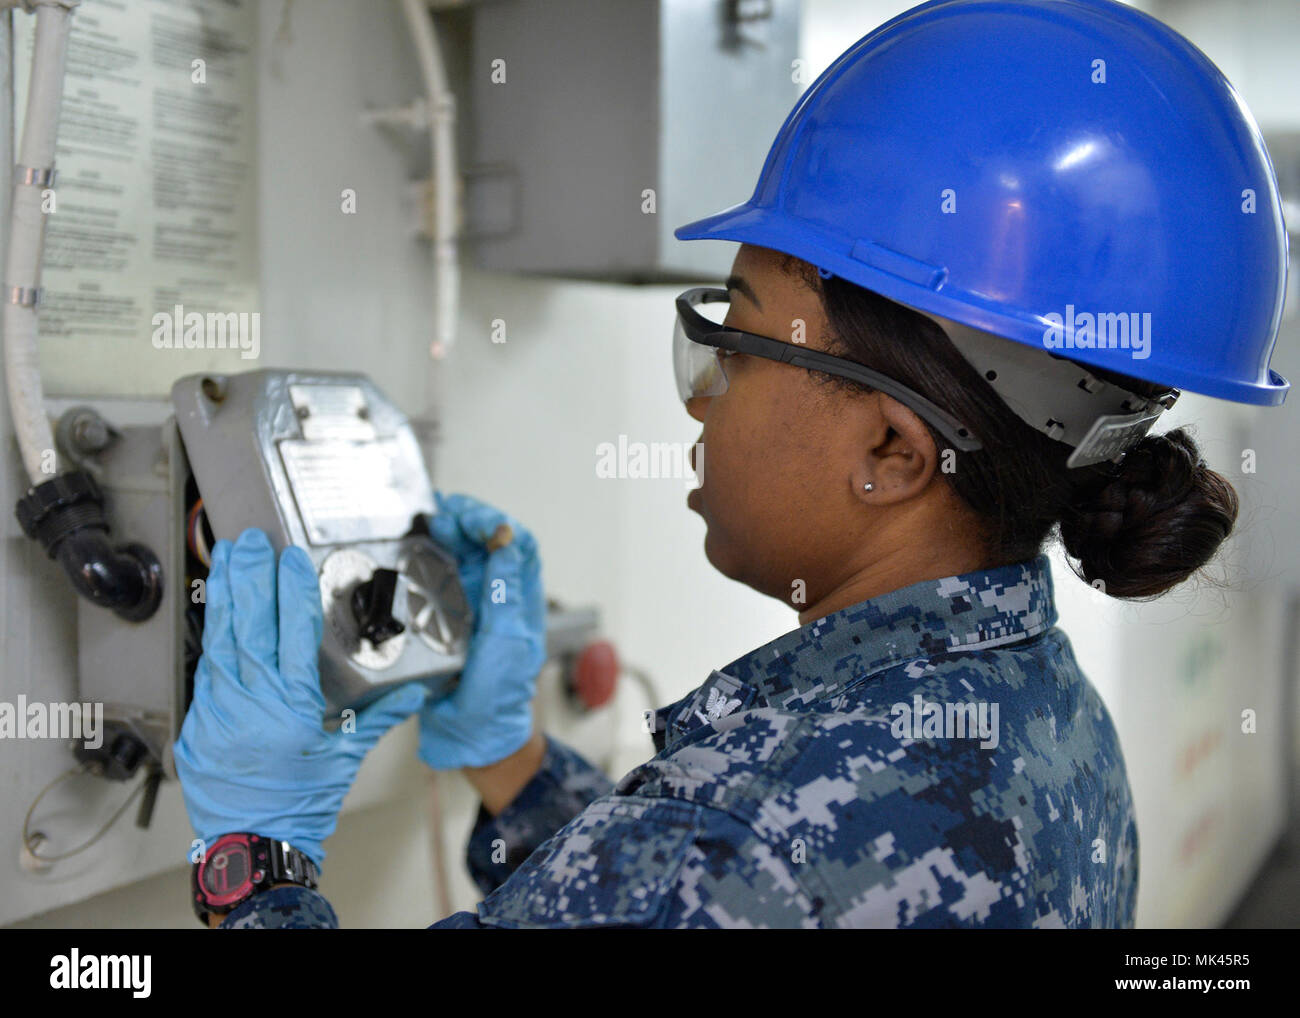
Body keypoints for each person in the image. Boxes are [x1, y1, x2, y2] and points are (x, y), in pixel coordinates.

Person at [173, 0, 1288, 928]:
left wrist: (251, 849)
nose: (701, 400)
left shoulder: (743, 846)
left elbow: (718, 880)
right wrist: (511, 759)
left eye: (732, 344)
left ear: (892, 451)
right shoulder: (1041, 714)